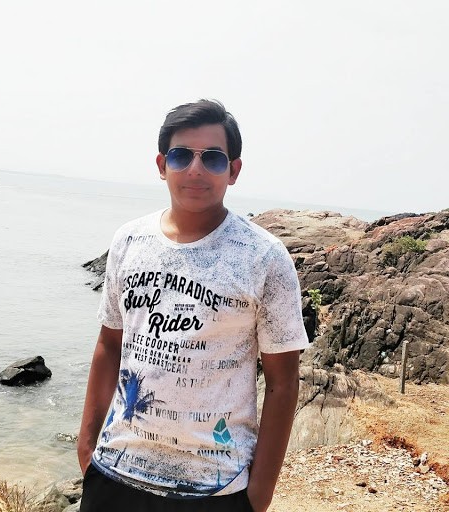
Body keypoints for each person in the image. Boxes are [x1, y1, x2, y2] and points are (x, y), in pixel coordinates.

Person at [77, 99, 309, 512]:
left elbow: (282, 382)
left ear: (233, 171)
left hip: (214, 492)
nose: (196, 170)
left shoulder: (264, 257)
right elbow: (109, 345)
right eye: (182, 156)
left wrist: (259, 495)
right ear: (162, 164)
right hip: (113, 476)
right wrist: (87, 443)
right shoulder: (129, 241)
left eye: (213, 158)